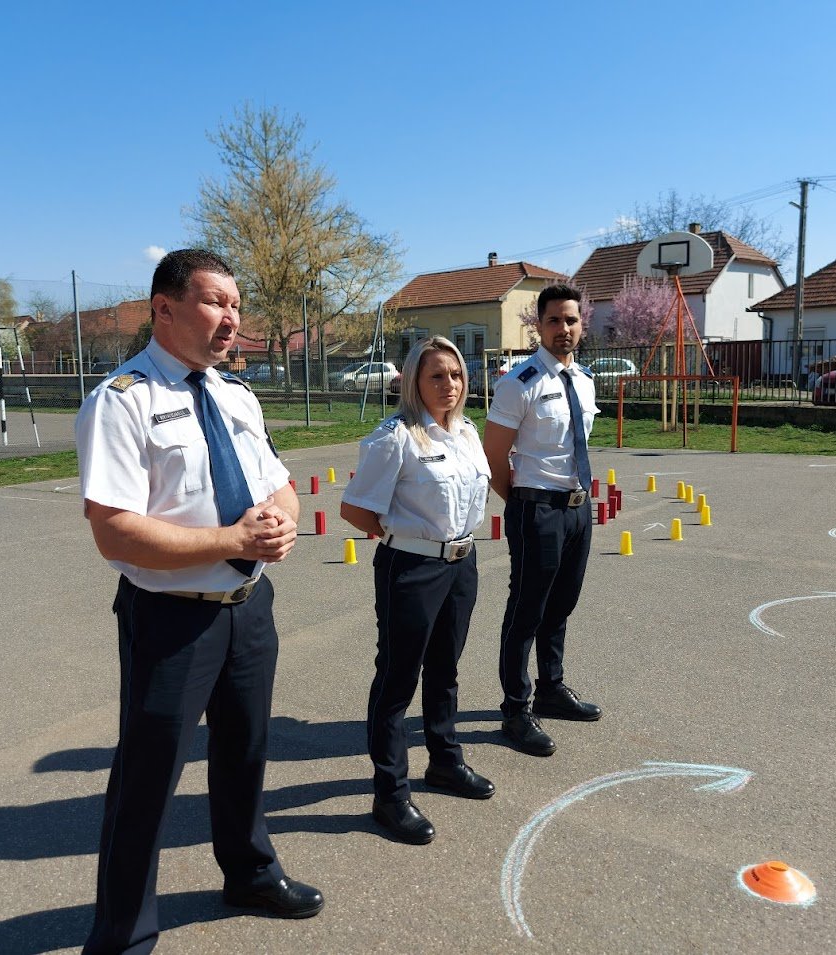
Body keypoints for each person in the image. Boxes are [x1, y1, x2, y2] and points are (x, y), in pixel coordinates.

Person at [75, 249, 323, 955]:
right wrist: (230, 536)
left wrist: (280, 520)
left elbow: (276, 482)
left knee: (245, 752)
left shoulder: (236, 395)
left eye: (236, 305)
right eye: (215, 302)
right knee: (148, 780)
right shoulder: (123, 400)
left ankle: (248, 871)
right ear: (165, 308)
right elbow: (114, 529)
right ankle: (122, 932)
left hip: (248, 605)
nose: (232, 319)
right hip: (170, 617)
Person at [340, 336, 495, 845]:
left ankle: (445, 762)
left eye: (455, 374)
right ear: (413, 381)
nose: (448, 384)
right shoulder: (396, 437)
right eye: (435, 376)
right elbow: (357, 508)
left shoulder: (467, 431)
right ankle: (390, 793)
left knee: (445, 668)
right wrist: (403, 539)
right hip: (411, 568)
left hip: (460, 564)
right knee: (397, 679)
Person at [483, 283, 602, 758]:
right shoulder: (520, 382)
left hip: (578, 508)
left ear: (581, 325)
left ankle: (551, 688)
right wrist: (524, 503)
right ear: (539, 325)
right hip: (537, 507)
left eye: (571, 320)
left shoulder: (586, 380)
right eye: (554, 320)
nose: (564, 329)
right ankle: (516, 707)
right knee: (527, 609)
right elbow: (493, 457)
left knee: (562, 603)